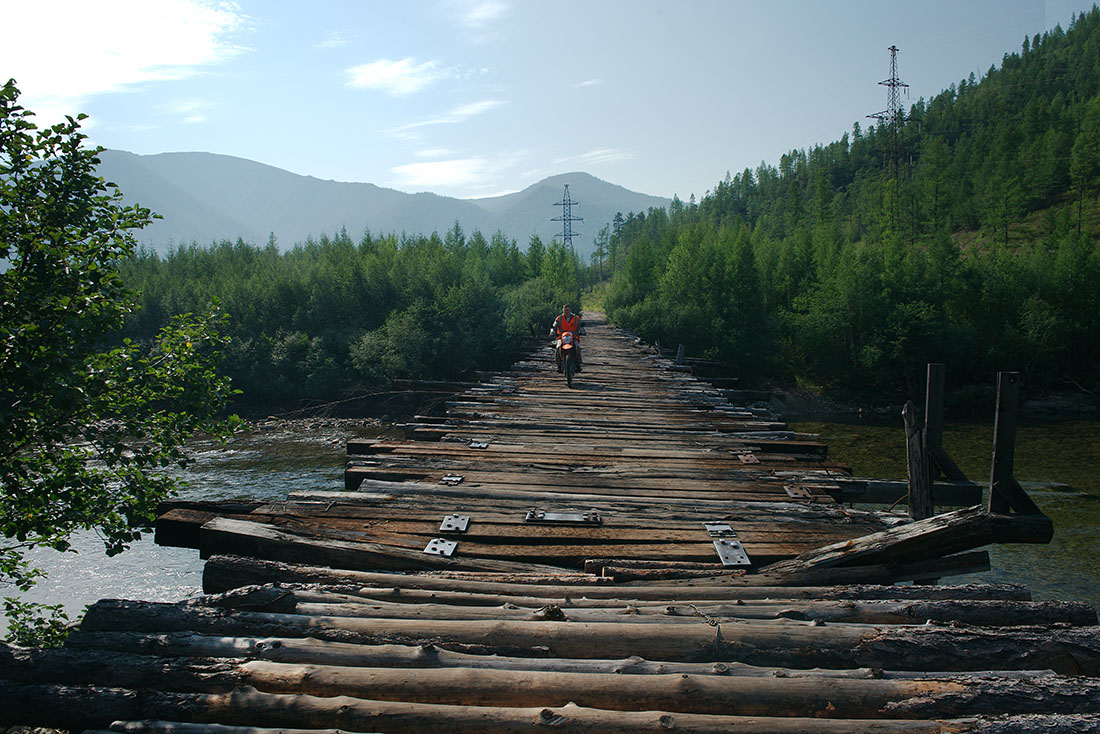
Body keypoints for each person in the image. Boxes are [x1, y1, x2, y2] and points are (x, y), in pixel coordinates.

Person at [550, 303, 585, 372]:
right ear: (563, 310)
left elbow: (581, 325)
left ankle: (578, 364)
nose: (566, 312)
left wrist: (582, 330)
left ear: (570, 310)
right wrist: (552, 331)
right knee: (558, 347)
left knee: (577, 347)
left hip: (573, 337)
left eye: (568, 310)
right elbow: (554, 326)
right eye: (565, 310)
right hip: (562, 337)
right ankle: (559, 365)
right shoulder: (559, 318)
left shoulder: (576, 318)